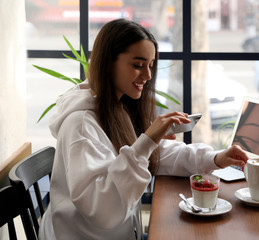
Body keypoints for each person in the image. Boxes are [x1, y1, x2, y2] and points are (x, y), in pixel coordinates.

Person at [39, 18, 248, 240]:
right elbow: (102, 208)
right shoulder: (80, 125)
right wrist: (147, 139)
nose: (148, 76)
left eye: (150, 65)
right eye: (138, 65)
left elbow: (156, 155)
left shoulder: (115, 108)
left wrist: (215, 158)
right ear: (108, 62)